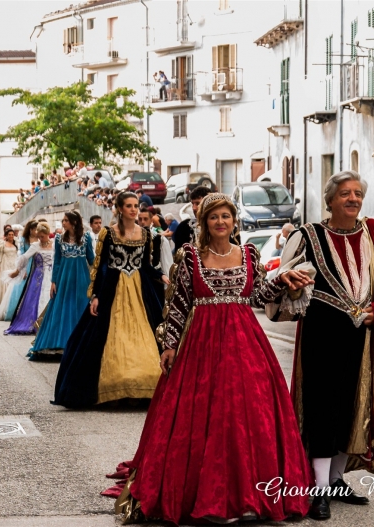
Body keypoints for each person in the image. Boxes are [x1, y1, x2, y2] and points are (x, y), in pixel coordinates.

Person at [107, 193, 314, 524]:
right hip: (201, 347)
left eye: (226, 216)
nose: (221, 222)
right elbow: (178, 304)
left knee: (249, 418)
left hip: (247, 346)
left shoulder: (248, 254)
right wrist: (169, 345)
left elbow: (258, 295)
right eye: (214, 217)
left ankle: (250, 497)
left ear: (234, 222)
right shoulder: (191, 257)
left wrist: (284, 283)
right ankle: (209, 495)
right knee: (208, 418)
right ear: (203, 223)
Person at [266, 171, 374, 520]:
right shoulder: (307, 236)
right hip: (320, 335)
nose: (353, 199)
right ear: (329, 199)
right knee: (321, 410)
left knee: (351, 409)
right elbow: (275, 288)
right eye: (345, 193)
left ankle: (334, 480)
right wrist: (290, 286)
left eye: (358, 193)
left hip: (363, 339)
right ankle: (318, 489)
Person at [53, 192, 170, 408]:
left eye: (136, 206)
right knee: (103, 337)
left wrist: (161, 275)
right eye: (129, 206)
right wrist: (95, 295)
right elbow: (100, 266)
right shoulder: (108, 233)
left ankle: (145, 386)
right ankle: (114, 387)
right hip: (112, 290)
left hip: (139, 290)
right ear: (119, 209)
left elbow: (146, 265)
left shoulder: (145, 234)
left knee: (147, 334)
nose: (134, 210)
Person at [28, 212, 94, 360]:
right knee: (62, 307)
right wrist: (53, 281)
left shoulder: (86, 238)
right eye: (63, 220)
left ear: (74, 222)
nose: (63, 223)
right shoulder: (59, 239)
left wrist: (98, 277)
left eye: (66, 220)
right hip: (64, 278)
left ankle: (81, 343)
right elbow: (57, 261)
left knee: (80, 307)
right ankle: (60, 343)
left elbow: (91, 258)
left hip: (82, 277)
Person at [5, 222, 55, 336]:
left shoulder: (55, 244)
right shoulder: (35, 246)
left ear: (48, 234)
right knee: (37, 298)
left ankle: (49, 323)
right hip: (38, 275)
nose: (40, 239)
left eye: (42, 236)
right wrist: (17, 271)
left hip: (52, 275)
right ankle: (36, 322)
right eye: (39, 236)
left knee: (50, 296)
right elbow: (24, 258)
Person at [0, 220, 38, 321]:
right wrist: (22, 269)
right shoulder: (23, 239)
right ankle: (18, 313)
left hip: (37, 264)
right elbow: (22, 253)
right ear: (31, 229)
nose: (37, 231)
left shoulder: (39, 237)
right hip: (26, 263)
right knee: (22, 287)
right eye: (35, 229)